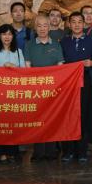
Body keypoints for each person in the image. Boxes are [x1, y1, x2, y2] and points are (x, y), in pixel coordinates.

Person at [60, 12, 92, 162]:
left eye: (79, 22)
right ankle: (68, 151)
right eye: (73, 22)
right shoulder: (64, 41)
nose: (76, 25)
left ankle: (82, 150)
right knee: (67, 114)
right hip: (67, 83)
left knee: (83, 114)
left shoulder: (91, 40)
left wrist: (90, 63)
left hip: (85, 81)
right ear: (69, 24)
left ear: (84, 24)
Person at [24, 14, 64, 160]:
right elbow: (27, 67)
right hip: (36, 89)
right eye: (39, 26)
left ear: (49, 27)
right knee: (37, 119)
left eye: (45, 25)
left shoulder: (56, 44)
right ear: (35, 28)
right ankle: (38, 152)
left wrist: (54, 84)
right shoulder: (29, 45)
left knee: (52, 118)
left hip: (53, 88)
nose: (42, 28)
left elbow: (60, 66)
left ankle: (51, 151)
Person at [0, 24, 26, 162]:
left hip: (14, 94)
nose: (7, 37)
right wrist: (3, 69)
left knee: (13, 124)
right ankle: (0, 153)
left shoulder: (18, 52)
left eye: (10, 34)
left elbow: (24, 73)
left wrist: (13, 67)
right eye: (4, 34)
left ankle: (12, 152)